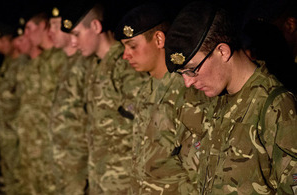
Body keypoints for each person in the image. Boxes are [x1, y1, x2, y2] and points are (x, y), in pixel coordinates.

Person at [165, 1, 297, 194]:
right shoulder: (216, 99)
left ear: (222, 51)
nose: (188, 82)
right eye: (182, 73)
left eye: (192, 70)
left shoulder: (276, 106)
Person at [115, 3, 211, 194]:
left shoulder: (186, 92)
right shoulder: (146, 89)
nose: (126, 55)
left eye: (133, 46)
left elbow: (199, 176)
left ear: (159, 39)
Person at [61, 0, 148, 194]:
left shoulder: (125, 66)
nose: (73, 42)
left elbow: (144, 128)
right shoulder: (95, 65)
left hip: (123, 183)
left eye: (76, 34)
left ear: (95, 26)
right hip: (100, 180)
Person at [16, 7, 67, 194]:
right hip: (34, 143)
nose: (27, 35)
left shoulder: (60, 59)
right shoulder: (41, 60)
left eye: (30, 28)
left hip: (52, 147)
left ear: (43, 27)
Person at [48, 4, 93, 194]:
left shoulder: (86, 65)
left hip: (79, 161)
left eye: (56, 25)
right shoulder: (65, 63)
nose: (51, 32)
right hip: (61, 156)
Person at [0, 20, 30, 195]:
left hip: (18, 135)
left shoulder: (23, 64)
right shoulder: (7, 63)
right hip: (7, 133)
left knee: (20, 182)